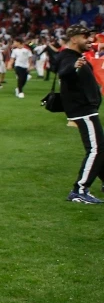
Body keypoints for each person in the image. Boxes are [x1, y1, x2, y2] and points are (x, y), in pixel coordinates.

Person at [59, 26, 104, 204]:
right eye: (85, 36)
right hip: (82, 110)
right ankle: (79, 190)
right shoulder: (69, 57)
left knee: (100, 148)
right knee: (96, 149)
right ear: (74, 39)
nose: (89, 40)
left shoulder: (75, 56)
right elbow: (63, 72)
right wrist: (73, 67)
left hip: (85, 109)